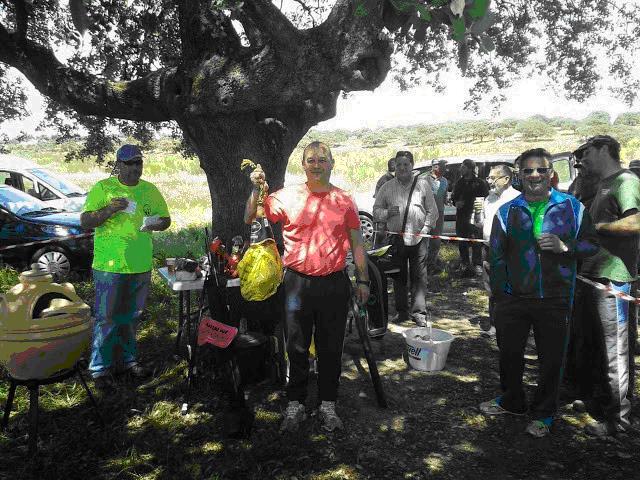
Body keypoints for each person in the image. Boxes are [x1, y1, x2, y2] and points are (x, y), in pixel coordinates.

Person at [244, 141, 370, 433]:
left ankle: (328, 404)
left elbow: (357, 242)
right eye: (311, 159)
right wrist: (255, 188)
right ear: (303, 165)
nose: (316, 164)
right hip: (296, 282)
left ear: (332, 163)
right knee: (296, 347)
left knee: (330, 348)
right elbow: (250, 216)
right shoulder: (287, 196)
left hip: (334, 283)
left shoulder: (345, 200)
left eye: (322, 159)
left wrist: (362, 279)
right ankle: (296, 404)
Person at [479, 148, 598, 438]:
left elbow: (592, 244)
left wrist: (565, 247)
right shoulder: (507, 211)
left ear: (550, 174)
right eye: (528, 170)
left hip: (555, 298)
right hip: (514, 298)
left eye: (541, 170)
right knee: (509, 354)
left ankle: (544, 412)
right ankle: (512, 400)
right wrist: (500, 293)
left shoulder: (572, 207)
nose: (535, 175)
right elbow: (497, 256)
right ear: (519, 175)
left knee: (551, 358)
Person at [80, 145, 171, 390]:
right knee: (107, 318)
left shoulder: (149, 190)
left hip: (140, 264)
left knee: (132, 317)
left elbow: (166, 220)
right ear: (118, 165)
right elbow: (85, 221)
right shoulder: (104, 188)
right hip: (109, 265)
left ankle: (128, 362)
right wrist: (110, 209)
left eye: (138, 163)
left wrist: (156, 223)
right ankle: (100, 369)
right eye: (130, 163)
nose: (135, 168)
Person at [571, 135, 640, 436]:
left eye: (587, 152)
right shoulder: (602, 183)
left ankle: (619, 420)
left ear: (603, 150)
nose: (582, 159)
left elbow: (636, 222)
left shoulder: (626, 181)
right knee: (597, 346)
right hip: (593, 276)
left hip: (613, 280)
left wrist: (595, 228)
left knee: (616, 352)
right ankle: (601, 401)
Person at [373, 151, 438, 326]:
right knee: (399, 276)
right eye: (399, 164)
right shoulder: (387, 187)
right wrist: (387, 213)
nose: (402, 168)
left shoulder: (423, 185)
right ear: (394, 166)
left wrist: (425, 229)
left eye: (406, 164)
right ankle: (401, 312)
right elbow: (376, 210)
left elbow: (433, 211)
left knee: (419, 276)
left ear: (412, 166)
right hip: (397, 239)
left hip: (419, 238)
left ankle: (419, 313)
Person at [478, 165, 520, 337]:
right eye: (488, 178)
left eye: (492, 178)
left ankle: (511, 324)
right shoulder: (489, 198)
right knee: (491, 288)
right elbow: (482, 222)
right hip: (488, 248)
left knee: (508, 287)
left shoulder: (518, 199)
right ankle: (494, 322)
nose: (489, 181)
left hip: (508, 251)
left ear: (506, 179)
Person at [451, 159, 489, 277]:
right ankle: (465, 264)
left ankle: (477, 264)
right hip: (462, 217)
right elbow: (454, 197)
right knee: (462, 241)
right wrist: (456, 203)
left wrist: (480, 210)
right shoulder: (459, 183)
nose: (461, 169)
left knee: (476, 241)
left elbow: (485, 198)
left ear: (470, 168)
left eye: (463, 167)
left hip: (475, 215)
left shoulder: (479, 183)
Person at [426, 159, 448, 274]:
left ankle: (432, 263)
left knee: (436, 240)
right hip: (427, 214)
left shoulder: (445, 181)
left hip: (440, 213)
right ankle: (423, 265)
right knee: (425, 239)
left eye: (445, 166)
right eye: (442, 166)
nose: (445, 169)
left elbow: (444, 198)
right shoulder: (424, 180)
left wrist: (448, 201)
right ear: (435, 167)